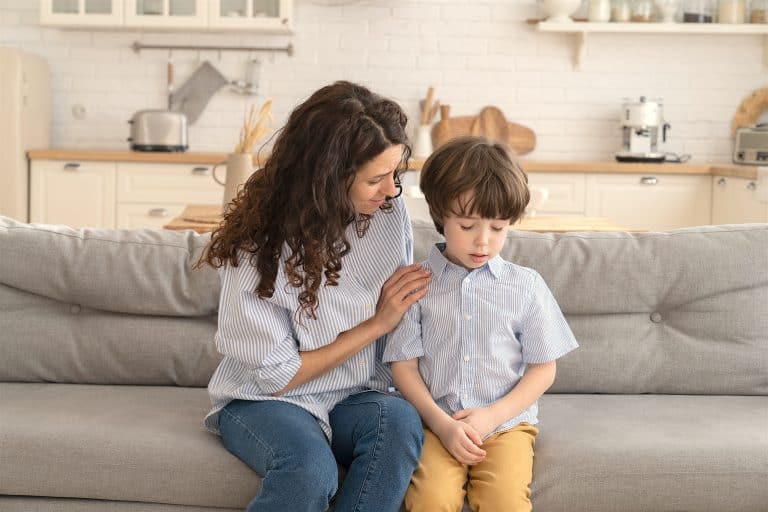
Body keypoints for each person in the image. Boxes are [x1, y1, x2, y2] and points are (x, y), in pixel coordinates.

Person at [201, 81, 432, 512]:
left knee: (399, 423)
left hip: (355, 396)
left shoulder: (386, 214)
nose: (392, 192)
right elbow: (278, 376)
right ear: (326, 177)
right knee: (309, 469)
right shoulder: (257, 246)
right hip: (265, 400)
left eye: (395, 175)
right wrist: (377, 324)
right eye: (375, 179)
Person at [383, 136, 578, 512]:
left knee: (504, 503)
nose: (483, 241)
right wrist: (441, 425)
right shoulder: (416, 284)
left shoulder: (525, 285)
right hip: (436, 423)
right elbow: (403, 367)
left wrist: (493, 415)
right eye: (468, 225)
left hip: (506, 425)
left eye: (498, 228)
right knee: (429, 501)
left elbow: (544, 368)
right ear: (440, 216)